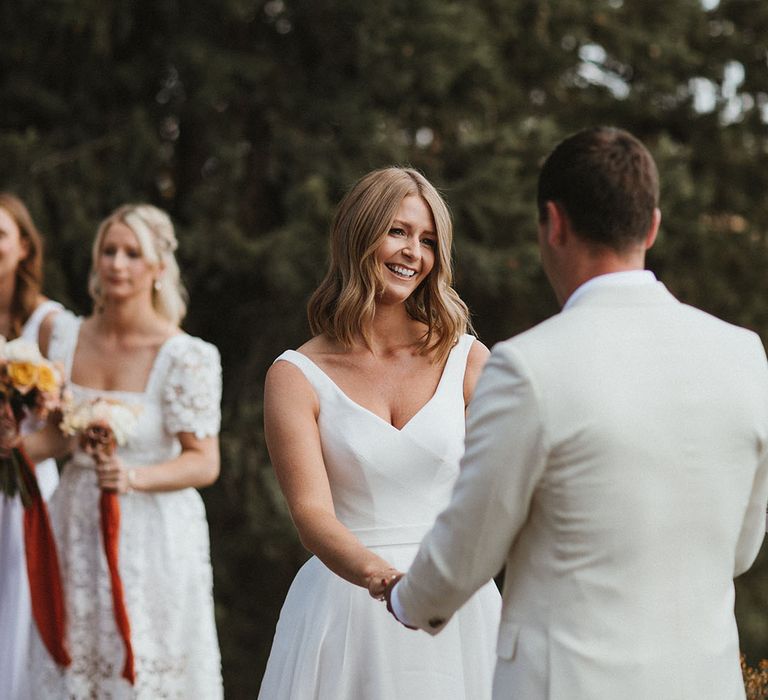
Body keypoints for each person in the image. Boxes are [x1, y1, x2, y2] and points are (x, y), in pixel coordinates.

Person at [386, 127, 768, 699]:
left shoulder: (528, 367)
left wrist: (405, 599)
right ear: (653, 225)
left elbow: (469, 546)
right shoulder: (743, 354)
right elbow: (742, 548)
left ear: (554, 223)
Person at [258, 167, 501, 699]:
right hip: (347, 608)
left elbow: (503, 491)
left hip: (456, 607)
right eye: (398, 231)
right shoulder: (295, 376)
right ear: (358, 234)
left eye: (428, 240)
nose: (413, 251)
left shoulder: (468, 360)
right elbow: (312, 515)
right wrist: (384, 581)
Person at [25, 204, 224, 698]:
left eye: (132, 253)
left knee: (149, 660)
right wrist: (12, 445)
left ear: (158, 269)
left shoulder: (187, 355)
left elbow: (204, 460)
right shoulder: (64, 336)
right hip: (76, 523)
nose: (116, 263)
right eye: (108, 251)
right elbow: (56, 438)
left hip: (154, 532)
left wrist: (132, 479)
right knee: (77, 660)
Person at [0, 193, 63, 700]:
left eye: (0, 235)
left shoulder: (49, 323)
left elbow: (67, 412)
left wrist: (20, 440)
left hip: (25, 479)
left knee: (24, 598)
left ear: (23, 246)